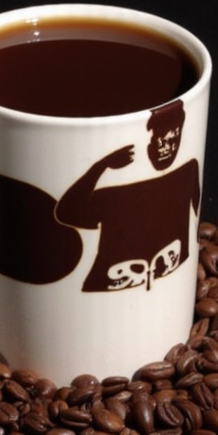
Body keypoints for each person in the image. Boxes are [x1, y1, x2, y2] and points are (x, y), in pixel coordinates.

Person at [54, 100, 200, 292]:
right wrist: (100, 166)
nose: (166, 148)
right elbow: (65, 212)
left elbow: (196, 221)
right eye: (159, 139)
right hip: (106, 290)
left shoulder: (187, 172)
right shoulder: (115, 195)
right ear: (149, 140)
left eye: (173, 139)